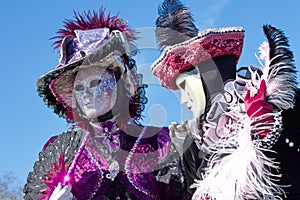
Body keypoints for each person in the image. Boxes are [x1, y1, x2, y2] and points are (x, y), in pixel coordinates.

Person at [23, 7, 186, 200]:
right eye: (79, 87)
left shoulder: (159, 142)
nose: (86, 93)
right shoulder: (62, 150)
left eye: (95, 83)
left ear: (121, 85)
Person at [152, 0, 299, 199]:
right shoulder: (192, 147)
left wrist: (269, 135)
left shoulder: (270, 105)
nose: (184, 101)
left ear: (206, 81)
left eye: (185, 88)